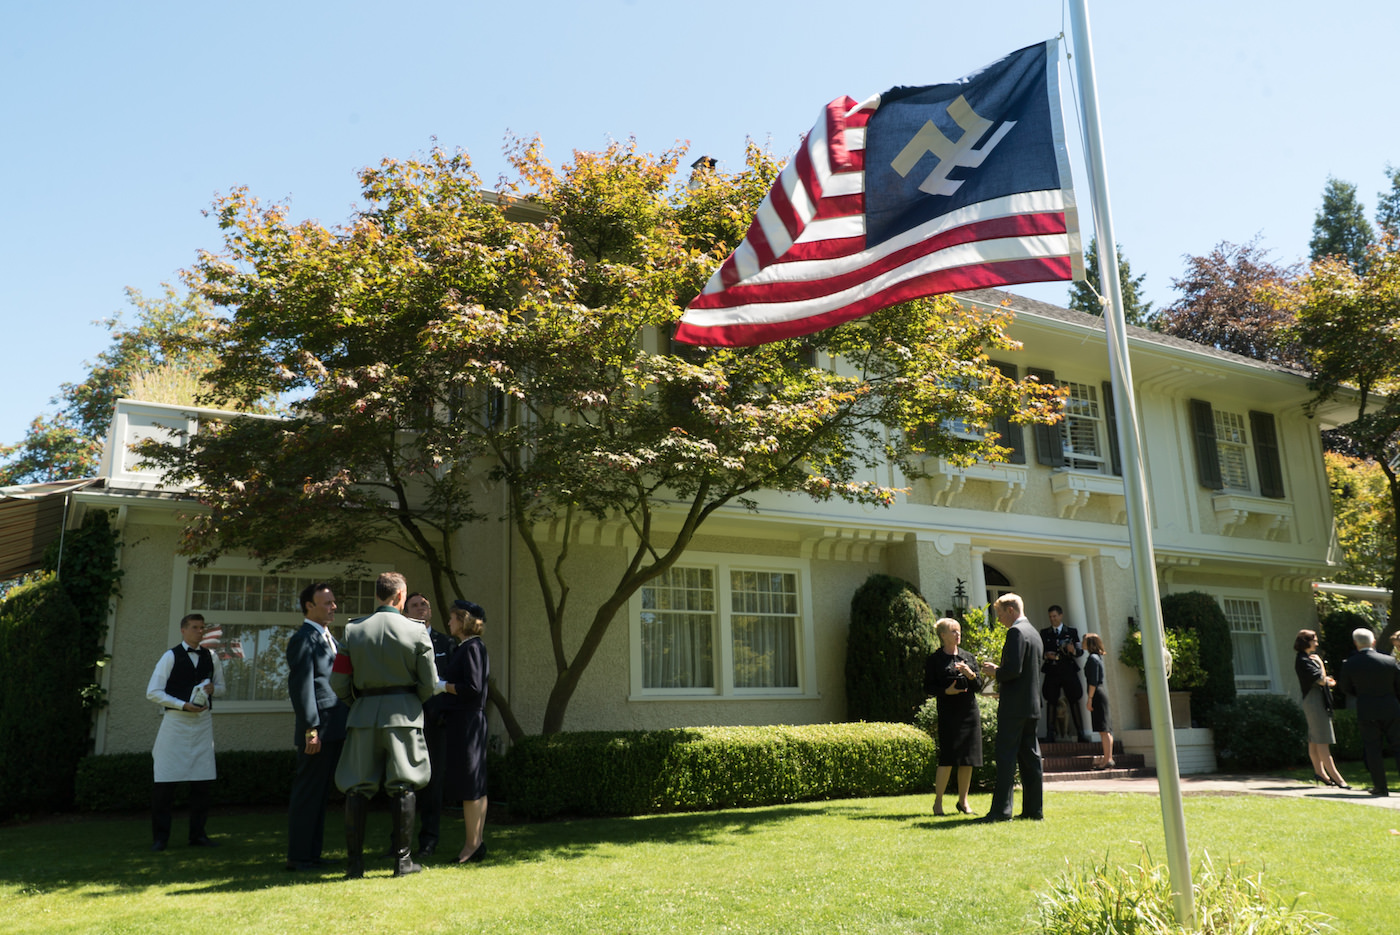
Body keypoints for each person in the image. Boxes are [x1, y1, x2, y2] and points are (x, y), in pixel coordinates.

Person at [331, 572, 438, 878]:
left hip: (364, 715)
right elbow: (428, 682)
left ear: (378, 595)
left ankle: (354, 865)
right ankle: (402, 862)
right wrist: (410, 703)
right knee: (404, 786)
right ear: (401, 597)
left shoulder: (353, 630)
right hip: (403, 715)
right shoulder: (416, 631)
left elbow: (339, 680)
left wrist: (360, 704)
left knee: (355, 787)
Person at [284, 582, 350, 871]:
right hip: (319, 729)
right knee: (308, 793)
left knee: (320, 794)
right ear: (309, 606)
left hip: (335, 725)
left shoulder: (328, 638)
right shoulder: (303, 639)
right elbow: (302, 687)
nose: (333, 607)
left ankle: (312, 853)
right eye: (327, 603)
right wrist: (311, 727)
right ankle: (298, 856)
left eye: (333, 602)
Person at [145, 612, 224, 851]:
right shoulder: (170, 656)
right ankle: (160, 838)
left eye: (202, 628)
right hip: (176, 723)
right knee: (165, 783)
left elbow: (222, 688)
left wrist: (213, 689)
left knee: (202, 784)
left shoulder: (212, 657)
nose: (199, 631)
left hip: (202, 725)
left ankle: (198, 835)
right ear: (183, 630)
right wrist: (182, 704)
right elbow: (153, 692)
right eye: (194, 627)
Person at [978, 593, 1044, 822]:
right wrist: (1001, 669)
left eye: (999, 614)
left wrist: (994, 671)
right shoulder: (1034, 633)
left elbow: (1013, 670)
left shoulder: (1016, 632)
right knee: (1030, 758)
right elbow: (1024, 670)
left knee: (1006, 757)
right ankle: (1034, 810)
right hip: (1032, 706)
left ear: (1011, 610)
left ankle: (1001, 812)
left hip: (1014, 707)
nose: (999, 620)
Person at [403, 591, 455, 860]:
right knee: (403, 782)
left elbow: (454, 682)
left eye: (425, 603)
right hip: (406, 720)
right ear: (405, 612)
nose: (421, 607)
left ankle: (429, 841)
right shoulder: (400, 642)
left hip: (436, 723)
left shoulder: (446, 642)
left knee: (433, 785)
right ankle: (398, 843)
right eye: (415, 605)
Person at [442, 599, 491, 863]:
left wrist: (442, 685)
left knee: (471, 785)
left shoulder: (471, 647)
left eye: (452, 618)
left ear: (462, 620)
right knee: (476, 784)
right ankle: (476, 842)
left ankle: (471, 846)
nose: (448, 622)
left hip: (468, 722)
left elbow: (472, 688)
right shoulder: (472, 646)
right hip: (471, 721)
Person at [924, 617, 983, 816]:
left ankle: (963, 802)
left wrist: (970, 674)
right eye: (953, 631)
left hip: (969, 712)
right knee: (947, 758)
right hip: (948, 713)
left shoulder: (968, 657)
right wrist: (946, 691)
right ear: (942, 635)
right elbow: (928, 687)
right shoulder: (935, 659)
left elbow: (979, 686)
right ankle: (938, 802)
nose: (958, 635)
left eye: (959, 631)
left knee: (968, 758)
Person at [1337, 627, 1400, 797]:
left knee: (1373, 749)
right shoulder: (1390, 661)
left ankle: (1380, 787)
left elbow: (1345, 688)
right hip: (1391, 707)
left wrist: (1363, 695)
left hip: (1367, 708)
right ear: (1373, 642)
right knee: (1398, 746)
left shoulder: (1350, 663)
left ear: (1356, 643)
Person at [1293, 629, 1348, 788]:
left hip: (1313, 701)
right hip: (1315, 703)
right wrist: (1321, 664)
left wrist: (1325, 677)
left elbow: (1320, 680)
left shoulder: (1305, 659)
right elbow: (1321, 680)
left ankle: (1320, 773)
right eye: (1314, 640)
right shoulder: (1304, 660)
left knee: (1314, 740)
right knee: (1323, 740)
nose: (1316, 643)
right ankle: (1338, 779)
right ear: (1306, 641)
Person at [1039, 605, 1088, 743]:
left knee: (1074, 700)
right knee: (1051, 701)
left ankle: (1081, 733)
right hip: (1052, 671)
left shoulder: (1071, 632)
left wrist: (1072, 650)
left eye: (1055, 616)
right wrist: (1046, 655)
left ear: (1061, 616)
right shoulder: (1045, 633)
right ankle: (1050, 733)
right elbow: (1040, 651)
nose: (1052, 619)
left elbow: (1080, 651)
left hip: (1068, 670)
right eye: (1050, 617)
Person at [1082, 633, 1115, 770]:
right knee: (1105, 730)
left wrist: (1089, 699)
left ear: (1090, 643)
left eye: (1084, 641)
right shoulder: (1097, 658)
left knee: (1104, 730)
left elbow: (1093, 682)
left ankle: (1107, 760)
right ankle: (1108, 759)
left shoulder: (1092, 659)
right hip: (1099, 694)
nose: (1082, 643)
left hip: (1097, 695)